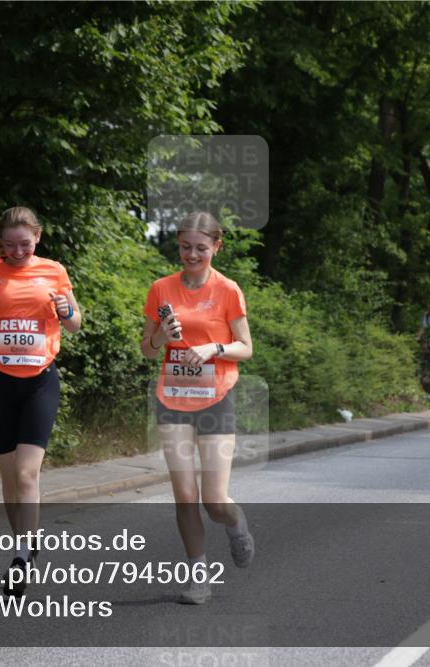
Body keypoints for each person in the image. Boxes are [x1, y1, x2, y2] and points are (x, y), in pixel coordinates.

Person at [0, 206, 81, 597]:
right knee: (10, 479)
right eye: (10, 245)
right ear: (1, 242)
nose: (17, 251)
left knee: (28, 474)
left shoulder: (54, 271)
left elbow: (75, 322)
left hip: (40, 382)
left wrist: (67, 311)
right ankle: (25, 543)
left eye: (24, 244)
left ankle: (20, 555)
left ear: (38, 238)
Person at [141, 211, 254, 605]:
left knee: (213, 499)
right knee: (185, 496)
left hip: (216, 398)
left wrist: (214, 348)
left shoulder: (228, 290)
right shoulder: (161, 289)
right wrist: (160, 334)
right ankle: (198, 577)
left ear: (216, 247)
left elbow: (246, 347)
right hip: (171, 398)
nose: (192, 255)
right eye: (186, 247)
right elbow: (146, 348)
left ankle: (235, 521)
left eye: (201, 249)